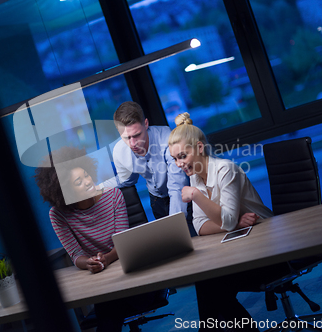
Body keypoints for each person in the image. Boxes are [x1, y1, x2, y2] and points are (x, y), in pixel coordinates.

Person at [168, 112, 291, 331]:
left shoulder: (225, 170)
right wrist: (233, 223)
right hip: (241, 248)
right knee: (208, 282)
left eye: (182, 156)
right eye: (175, 159)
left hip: (269, 249)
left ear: (199, 148)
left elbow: (224, 220)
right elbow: (200, 226)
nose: (179, 164)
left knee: (212, 285)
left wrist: (197, 196)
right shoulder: (196, 175)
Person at [34, 146, 160, 332]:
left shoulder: (113, 195)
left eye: (86, 175)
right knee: (108, 303)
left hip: (130, 275)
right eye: (78, 181)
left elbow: (122, 241)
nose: (87, 182)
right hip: (101, 282)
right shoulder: (58, 215)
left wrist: (107, 259)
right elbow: (76, 255)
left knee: (108, 308)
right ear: (66, 190)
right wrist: (89, 263)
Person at [100, 101, 196, 235]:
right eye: (127, 137)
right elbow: (127, 180)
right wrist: (97, 188)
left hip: (182, 195)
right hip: (157, 201)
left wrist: (176, 226)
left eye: (137, 135)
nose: (133, 143)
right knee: (174, 246)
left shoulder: (168, 139)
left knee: (195, 239)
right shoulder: (119, 151)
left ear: (146, 124)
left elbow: (176, 185)